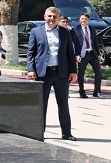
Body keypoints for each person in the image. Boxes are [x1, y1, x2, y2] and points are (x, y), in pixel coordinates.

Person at [27, 7, 78, 141]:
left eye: (55, 16)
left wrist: (73, 71)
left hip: (61, 73)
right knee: (41, 104)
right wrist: (31, 69)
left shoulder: (65, 32)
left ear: (59, 18)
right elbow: (31, 53)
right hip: (43, 73)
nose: (52, 19)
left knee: (63, 104)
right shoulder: (36, 32)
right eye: (49, 16)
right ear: (45, 17)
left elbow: (70, 53)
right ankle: (39, 132)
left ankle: (66, 133)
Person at [72, 14, 103, 98]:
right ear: (79, 19)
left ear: (88, 20)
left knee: (98, 72)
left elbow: (95, 42)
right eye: (82, 19)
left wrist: (98, 54)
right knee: (81, 73)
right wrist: (76, 55)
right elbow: (73, 44)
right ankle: (82, 91)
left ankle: (96, 92)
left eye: (85, 19)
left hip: (92, 53)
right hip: (82, 54)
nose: (83, 20)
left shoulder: (92, 29)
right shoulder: (75, 29)